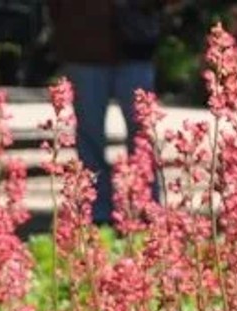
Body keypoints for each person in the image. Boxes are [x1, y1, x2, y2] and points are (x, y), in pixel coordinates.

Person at [47, 0, 163, 225]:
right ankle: (97, 212)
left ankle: (147, 208)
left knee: (142, 134)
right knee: (89, 135)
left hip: (134, 47)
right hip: (83, 47)